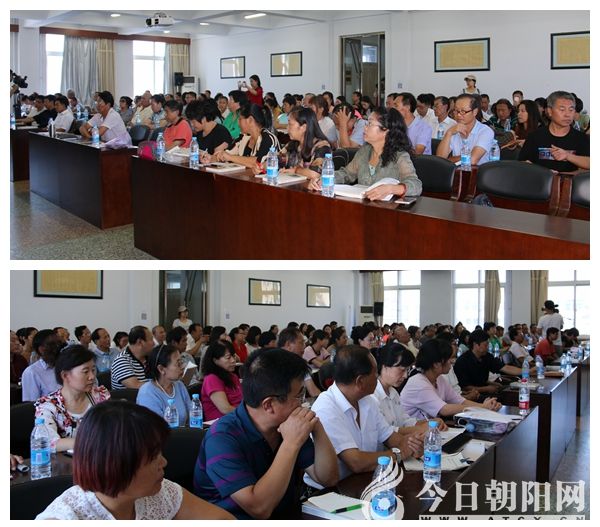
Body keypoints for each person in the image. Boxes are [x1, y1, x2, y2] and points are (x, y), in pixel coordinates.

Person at [194, 348, 338, 519]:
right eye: (299, 395)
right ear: (269, 405)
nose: (303, 403)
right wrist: (290, 444)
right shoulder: (221, 438)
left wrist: (316, 425)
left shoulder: (287, 423)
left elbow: (328, 479)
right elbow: (259, 509)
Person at [36, 400, 233, 520]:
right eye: (154, 456)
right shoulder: (67, 517)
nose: (164, 462)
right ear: (117, 464)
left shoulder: (160, 492)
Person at [311, 345, 425, 482]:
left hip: (366, 479)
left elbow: (391, 437)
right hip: (336, 489)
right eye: (375, 373)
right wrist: (399, 454)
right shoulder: (326, 408)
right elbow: (356, 462)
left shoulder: (368, 401)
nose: (378, 377)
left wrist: (412, 444)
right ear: (360, 381)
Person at [310, 106, 422, 201]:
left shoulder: (400, 156)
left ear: (385, 130)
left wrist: (391, 189)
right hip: (363, 207)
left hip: (388, 211)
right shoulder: (364, 151)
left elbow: (416, 184)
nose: (365, 127)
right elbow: (346, 174)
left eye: (370, 124)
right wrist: (323, 180)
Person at [400, 338, 501, 420]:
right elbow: (444, 409)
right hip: (412, 432)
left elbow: (460, 401)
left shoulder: (439, 379)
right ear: (436, 364)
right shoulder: (418, 383)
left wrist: (484, 406)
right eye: (449, 359)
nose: (452, 362)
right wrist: (482, 407)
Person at [34, 345, 110, 453]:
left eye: (93, 370)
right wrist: (89, 442)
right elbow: (45, 442)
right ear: (65, 375)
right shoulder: (48, 405)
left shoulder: (99, 396)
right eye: (85, 371)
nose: (92, 376)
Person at [519, 91, 589, 172]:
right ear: (549, 111)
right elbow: (522, 163)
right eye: (562, 109)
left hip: (569, 179)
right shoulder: (534, 136)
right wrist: (545, 174)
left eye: (571, 110)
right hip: (539, 179)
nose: (567, 115)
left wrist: (568, 156)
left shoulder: (581, 138)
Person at [453, 329, 535, 396]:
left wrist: (527, 371)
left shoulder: (486, 356)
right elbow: (465, 387)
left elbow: (505, 368)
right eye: (485, 345)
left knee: (515, 390)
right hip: (474, 395)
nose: (488, 347)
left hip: (486, 390)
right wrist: (486, 388)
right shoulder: (462, 361)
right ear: (476, 345)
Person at [202, 103, 279, 169]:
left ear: (250, 120)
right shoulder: (243, 137)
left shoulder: (268, 138)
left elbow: (257, 162)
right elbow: (226, 153)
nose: (238, 123)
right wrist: (211, 158)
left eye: (240, 119)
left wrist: (230, 157)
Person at [136, 344, 191, 426]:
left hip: (184, 433)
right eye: (178, 363)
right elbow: (156, 428)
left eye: (182, 362)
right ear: (161, 369)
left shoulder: (179, 385)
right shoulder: (147, 393)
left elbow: (192, 417)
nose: (183, 367)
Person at [436, 93, 494, 166]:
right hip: (456, 171)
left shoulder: (485, 131)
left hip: (478, 172)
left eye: (463, 111)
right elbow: (440, 159)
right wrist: (449, 133)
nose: (458, 115)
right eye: (456, 111)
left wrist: (449, 160)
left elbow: (472, 160)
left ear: (475, 112)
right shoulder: (454, 130)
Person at [277, 106, 332, 179]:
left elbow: (315, 174)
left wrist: (295, 170)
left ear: (303, 127)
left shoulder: (322, 146)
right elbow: (275, 160)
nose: (287, 128)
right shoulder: (292, 144)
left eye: (290, 124)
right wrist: (263, 165)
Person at [200, 341, 242, 420]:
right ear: (215, 360)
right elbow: (225, 409)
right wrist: (248, 414)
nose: (233, 360)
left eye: (233, 356)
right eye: (228, 357)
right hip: (222, 422)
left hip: (237, 418)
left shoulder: (233, 376)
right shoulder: (211, 379)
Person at [21, 329, 61, 401]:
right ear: (41, 349)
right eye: (52, 344)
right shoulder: (32, 372)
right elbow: (31, 404)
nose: (57, 347)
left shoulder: (65, 366)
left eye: (59, 343)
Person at [110, 326, 154, 390]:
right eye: (151, 339)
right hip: (133, 396)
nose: (153, 343)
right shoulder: (121, 360)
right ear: (140, 342)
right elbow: (135, 386)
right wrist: (162, 385)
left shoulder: (150, 357)